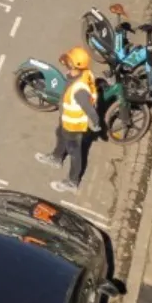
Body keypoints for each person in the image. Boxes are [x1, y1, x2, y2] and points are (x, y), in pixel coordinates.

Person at [37, 46, 100, 195]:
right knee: (59, 134)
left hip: (73, 126)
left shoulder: (79, 90)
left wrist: (96, 123)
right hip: (66, 121)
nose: (66, 62)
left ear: (75, 65)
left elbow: (89, 109)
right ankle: (57, 157)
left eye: (69, 61)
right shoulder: (85, 73)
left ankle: (72, 181)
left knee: (75, 152)